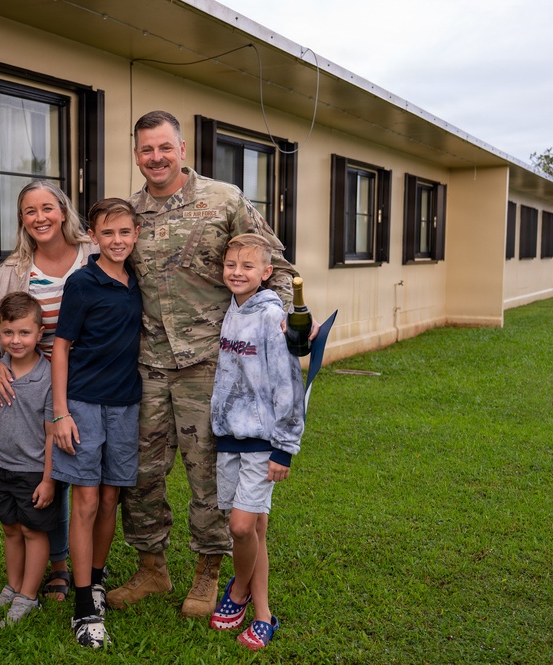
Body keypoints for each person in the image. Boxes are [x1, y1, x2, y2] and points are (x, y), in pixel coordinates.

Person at [107, 110, 318, 618]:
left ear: (182, 150)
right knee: (141, 472)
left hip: (213, 363)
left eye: (165, 147)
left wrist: (286, 319)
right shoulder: (130, 215)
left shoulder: (224, 200)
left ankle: (208, 571)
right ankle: (152, 568)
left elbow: (275, 265)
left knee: (207, 472)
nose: (156, 157)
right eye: (146, 149)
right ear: (135, 154)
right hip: (149, 363)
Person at [0, 180, 93, 601]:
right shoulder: (14, 269)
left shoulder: (93, 255)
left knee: (79, 478)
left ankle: (86, 568)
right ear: (22, 220)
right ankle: (58, 567)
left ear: (63, 211)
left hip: (89, 382)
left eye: (47, 208)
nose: (40, 217)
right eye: (30, 211)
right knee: (46, 472)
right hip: (34, 383)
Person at [51, 198, 143, 648]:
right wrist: (61, 412)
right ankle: (83, 604)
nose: (117, 240)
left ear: (136, 235)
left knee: (110, 498)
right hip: (84, 404)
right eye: (107, 233)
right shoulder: (82, 283)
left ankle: (97, 578)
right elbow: (61, 346)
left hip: (126, 405)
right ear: (92, 236)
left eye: (125, 232)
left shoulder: (138, 282)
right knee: (86, 500)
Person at [207, 234, 303, 650]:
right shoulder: (231, 309)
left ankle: (239, 590)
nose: (237, 272)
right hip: (229, 437)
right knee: (256, 529)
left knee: (240, 527)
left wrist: (284, 447)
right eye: (231, 264)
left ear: (266, 273)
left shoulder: (271, 316)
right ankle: (263, 615)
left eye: (247, 266)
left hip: (263, 441)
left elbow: (289, 384)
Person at [0, 292, 60, 626]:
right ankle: (13, 586)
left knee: (32, 531)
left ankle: (28, 595)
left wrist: (48, 480)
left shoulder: (48, 377)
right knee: (10, 529)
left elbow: (52, 434)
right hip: (1, 467)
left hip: (34, 472)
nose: (15, 340)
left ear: (40, 333)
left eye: (24, 332)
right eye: (8, 332)